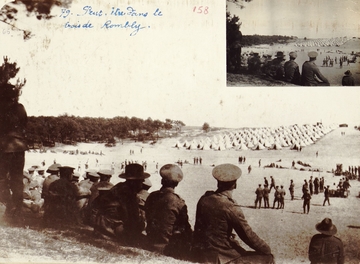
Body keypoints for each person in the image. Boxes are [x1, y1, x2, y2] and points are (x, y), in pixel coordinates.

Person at [192, 164, 274, 264]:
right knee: (268, 257)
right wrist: (266, 249)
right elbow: (247, 235)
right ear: (235, 185)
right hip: (221, 258)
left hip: (202, 253)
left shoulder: (204, 199)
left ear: (218, 183)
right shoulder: (230, 206)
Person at [90, 163, 149, 246]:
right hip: (112, 233)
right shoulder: (129, 195)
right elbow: (132, 221)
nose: (143, 181)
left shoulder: (119, 187)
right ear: (134, 181)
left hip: (102, 229)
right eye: (141, 179)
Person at [145, 164, 192, 260]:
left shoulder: (152, 196)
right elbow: (185, 227)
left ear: (162, 181)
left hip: (150, 240)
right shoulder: (178, 202)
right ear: (177, 184)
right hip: (167, 246)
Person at [0, 80, 28, 221]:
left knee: (1, 179)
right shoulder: (20, 108)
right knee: (17, 180)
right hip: (19, 146)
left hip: (4, 147)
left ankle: (9, 205)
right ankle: (18, 211)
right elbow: (24, 125)